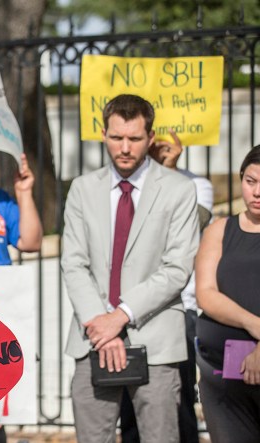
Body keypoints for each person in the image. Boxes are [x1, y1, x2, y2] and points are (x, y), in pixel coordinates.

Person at [61, 94, 200, 443]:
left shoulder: (179, 190)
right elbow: (73, 263)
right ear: (103, 134)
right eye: (116, 137)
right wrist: (101, 321)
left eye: (135, 139)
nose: (125, 147)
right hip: (91, 336)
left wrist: (119, 315)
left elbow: (177, 268)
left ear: (150, 138)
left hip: (156, 337)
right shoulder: (81, 189)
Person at [119, 129, 213, 443]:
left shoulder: (196, 185)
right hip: (126, 309)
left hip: (176, 309)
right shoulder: (122, 185)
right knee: (130, 403)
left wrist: (168, 172)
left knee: (179, 398)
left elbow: (188, 229)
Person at [194, 145, 260, 442]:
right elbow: (206, 293)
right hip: (223, 375)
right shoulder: (220, 229)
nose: (257, 192)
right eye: (251, 181)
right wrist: (253, 323)